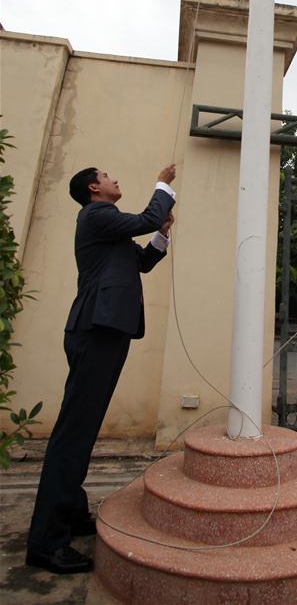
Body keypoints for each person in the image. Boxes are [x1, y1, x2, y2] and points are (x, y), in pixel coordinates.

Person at [26, 164, 176, 574]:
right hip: (95, 329)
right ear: (94, 188)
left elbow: (143, 262)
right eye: (109, 176)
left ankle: (70, 514)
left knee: (83, 428)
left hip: (107, 330)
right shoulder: (96, 215)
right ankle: (46, 542)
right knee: (73, 433)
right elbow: (144, 217)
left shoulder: (110, 230)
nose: (115, 179)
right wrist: (162, 184)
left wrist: (162, 233)